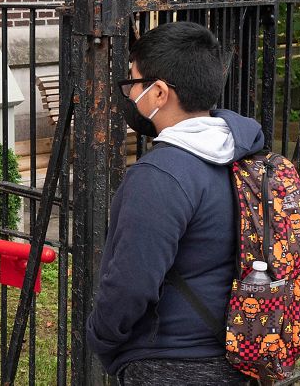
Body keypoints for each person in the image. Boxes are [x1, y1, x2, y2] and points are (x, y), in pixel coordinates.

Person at [86, 21, 261, 385]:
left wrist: (101, 338)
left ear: (159, 92)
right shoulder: (244, 154)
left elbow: (130, 284)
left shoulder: (160, 176)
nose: (130, 95)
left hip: (168, 362)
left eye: (133, 83)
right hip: (236, 353)